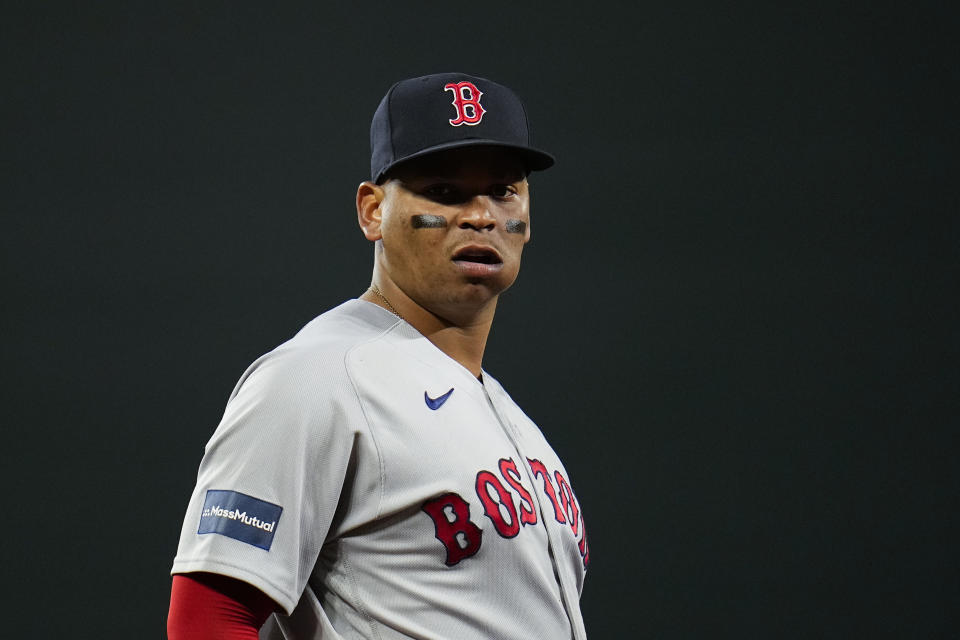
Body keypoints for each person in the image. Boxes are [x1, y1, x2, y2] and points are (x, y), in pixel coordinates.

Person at [167, 72, 589, 640]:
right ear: (372, 212)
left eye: (503, 190)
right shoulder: (318, 376)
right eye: (444, 191)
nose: (482, 215)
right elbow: (207, 620)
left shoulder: (508, 417)